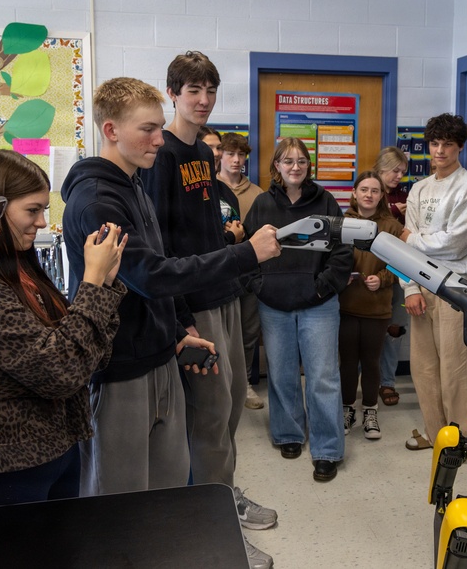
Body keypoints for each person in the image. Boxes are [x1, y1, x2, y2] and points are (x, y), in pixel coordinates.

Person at [60, 77, 280, 569]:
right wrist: (245, 253)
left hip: (160, 355)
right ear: (111, 129)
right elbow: (151, 274)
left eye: (160, 128)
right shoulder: (97, 199)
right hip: (121, 371)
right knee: (119, 508)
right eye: (149, 129)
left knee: (165, 499)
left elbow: (159, 266)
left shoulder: (135, 184)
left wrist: (181, 329)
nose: (160, 139)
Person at [141, 53, 276, 564]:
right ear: (173, 92)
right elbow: (161, 247)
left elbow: (199, 229)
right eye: (193, 90)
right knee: (208, 418)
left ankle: (225, 498)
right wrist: (183, 320)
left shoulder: (203, 150)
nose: (202, 100)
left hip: (224, 295)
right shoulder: (166, 155)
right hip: (193, 308)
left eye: (210, 90)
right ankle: (216, 528)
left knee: (231, 406)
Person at [0, 150, 127, 510]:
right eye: (32, 210)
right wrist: (91, 283)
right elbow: (62, 370)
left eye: (44, 210)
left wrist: (103, 286)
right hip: (13, 468)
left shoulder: (26, 274)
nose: (42, 222)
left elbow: (94, 356)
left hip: (61, 449)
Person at [243, 137, 353, 482]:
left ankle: (327, 449)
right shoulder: (262, 204)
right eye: (287, 161)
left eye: (301, 161)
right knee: (282, 374)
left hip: (318, 304)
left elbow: (342, 252)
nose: (294, 167)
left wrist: (322, 286)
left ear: (308, 166)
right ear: (276, 166)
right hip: (273, 304)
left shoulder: (326, 201)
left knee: (322, 376)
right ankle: (288, 434)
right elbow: (247, 253)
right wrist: (260, 286)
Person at [400, 113, 467, 451]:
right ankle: (436, 433)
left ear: (460, 147)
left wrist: (416, 239)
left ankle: (463, 437)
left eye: (447, 144)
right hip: (421, 285)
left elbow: (454, 244)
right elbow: (407, 246)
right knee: (424, 368)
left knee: (455, 368)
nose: (439, 150)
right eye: (434, 143)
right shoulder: (419, 189)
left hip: (456, 288)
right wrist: (409, 287)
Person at [338, 171, 403, 441]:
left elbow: (405, 268)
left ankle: (370, 410)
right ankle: (347, 408)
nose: (368, 195)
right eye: (363, 189)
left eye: (374, 191)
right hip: (345, 306)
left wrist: (384, 279)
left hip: (378, 308)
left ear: (381, 195)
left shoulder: (391, 226)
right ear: (354, 193)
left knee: (372, 362)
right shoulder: (341, 222)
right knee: (348, 362)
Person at [219, 132, 266, 410]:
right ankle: (222, 387)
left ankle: (244, 384)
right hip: (219, 272)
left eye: (241, 155)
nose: (236, 160)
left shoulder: (257, 193)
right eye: (230, 154)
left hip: (248, 273)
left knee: (248, 331)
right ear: (220, 157)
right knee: (219, 332)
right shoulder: (208, 189)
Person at [373, 146, 409, 407]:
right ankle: (368, 380)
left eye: (403, 172)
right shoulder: (369, 190)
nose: (399, 176)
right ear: (382, 168)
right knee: (366, 328)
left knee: (394, 329)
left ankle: (387, 382)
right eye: (395, 170)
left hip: (397, 269)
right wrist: (393, 214)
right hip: (370, 269)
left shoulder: (408, 196)